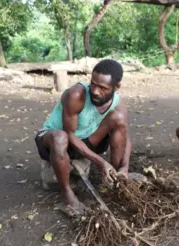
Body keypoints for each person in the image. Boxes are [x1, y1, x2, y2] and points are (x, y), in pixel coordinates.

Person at [34, 59, 131, 216]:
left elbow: (125, 137)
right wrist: (100, 162)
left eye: (103, 88)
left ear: (116, 87)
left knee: (119, 120)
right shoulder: (76, 95)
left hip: (86, 141)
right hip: (55, 141)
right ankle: (67, 195)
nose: (95, 91)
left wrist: (124, 168)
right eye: (93, 84)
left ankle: (116, 179)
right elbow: (70, 135)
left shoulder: (118, 105)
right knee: (60, 137)